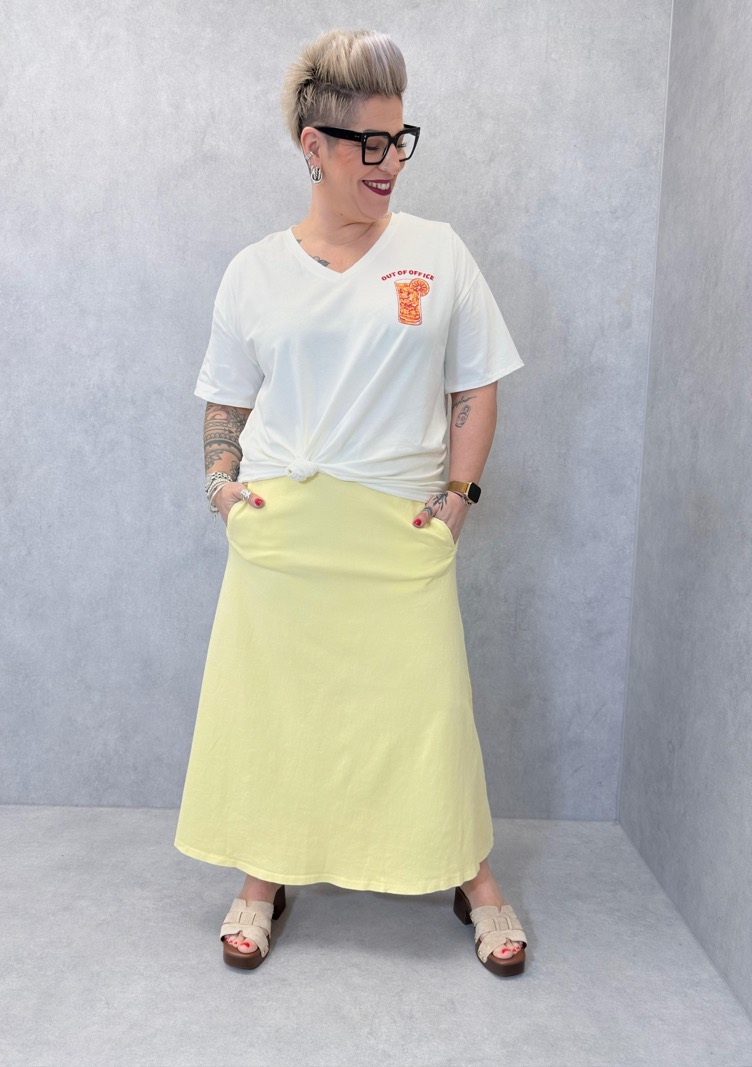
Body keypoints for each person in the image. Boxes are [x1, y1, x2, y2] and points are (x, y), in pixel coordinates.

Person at [174, 28, 528, 977]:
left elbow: (478, 381)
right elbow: (225, 399)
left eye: (398, 138)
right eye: (368, 142)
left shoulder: (437, 253)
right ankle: (264, 874)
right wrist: (222, 487)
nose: (388, 162)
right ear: (313, 145)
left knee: (428, 711)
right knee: (278, 709)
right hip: (284, 534)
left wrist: (459, 498)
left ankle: (470, 872)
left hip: (397, 532)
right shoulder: (254, 271)